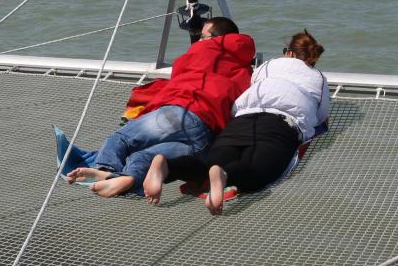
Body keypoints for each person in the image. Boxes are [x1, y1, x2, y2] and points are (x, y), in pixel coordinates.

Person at [64, 16, 255, 197]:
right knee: (143, 157)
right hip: (204, 136)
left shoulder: (201, 51)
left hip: (177, 112)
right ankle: (127, 179)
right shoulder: (245, 68)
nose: (199, 40)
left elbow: (179, 71)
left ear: (216, 38)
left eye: (203, 37)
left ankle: (104, 169)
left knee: (122, 139)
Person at [144, 29, 329, 214]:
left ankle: (169, 167)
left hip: (243, 119)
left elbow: (252, 82)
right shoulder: (318, 78)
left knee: (209, 164)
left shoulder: (268, 65)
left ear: (289, 53)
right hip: (280, 126)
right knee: (259, 171)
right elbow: (320, 116)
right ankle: (224, 175)